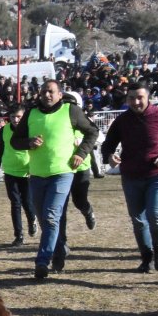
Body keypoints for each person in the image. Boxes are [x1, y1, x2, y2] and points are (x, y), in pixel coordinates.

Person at [12, 80, 98, 279]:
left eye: (51, 92)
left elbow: (92, 131)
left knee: (51, 217)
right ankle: (60, 250)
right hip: (36, 175)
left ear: (60, 94)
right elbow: (15, 141)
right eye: (43, 92)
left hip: (62, 173)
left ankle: (42, 262)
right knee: (45, 221)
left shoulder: (71, 111)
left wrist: (82, 153)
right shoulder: (31, 113)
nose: (46, 95)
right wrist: (28, 142)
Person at [100, 80, 158, 272]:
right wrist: (110, 156)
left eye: (140, 98)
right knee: (138, 219)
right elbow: (108, 144)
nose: (136, 102)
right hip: (131, 176)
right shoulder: (122, 121)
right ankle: (147, 257)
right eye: (131, 98)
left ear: (148, 98)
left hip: (157, 176)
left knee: (156, 216)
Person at [0, 106, 36, 246]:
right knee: (15, 204)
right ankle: (19, 236)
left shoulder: (30, 129)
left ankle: (32, 221)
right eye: (13, 117)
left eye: (19, 117)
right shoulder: (4, 130)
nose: (16, 120)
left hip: (27, 172)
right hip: (10, 172)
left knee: (27, 203)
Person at [63, 92, 98, 232]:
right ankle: (59, 236)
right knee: (60, 204)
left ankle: (88, 212)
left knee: (79, 200)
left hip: (81, 168)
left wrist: (81, 146)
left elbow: (94, 138)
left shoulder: (84, 121)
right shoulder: (60, 119)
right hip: (62, 167)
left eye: (70, 103)